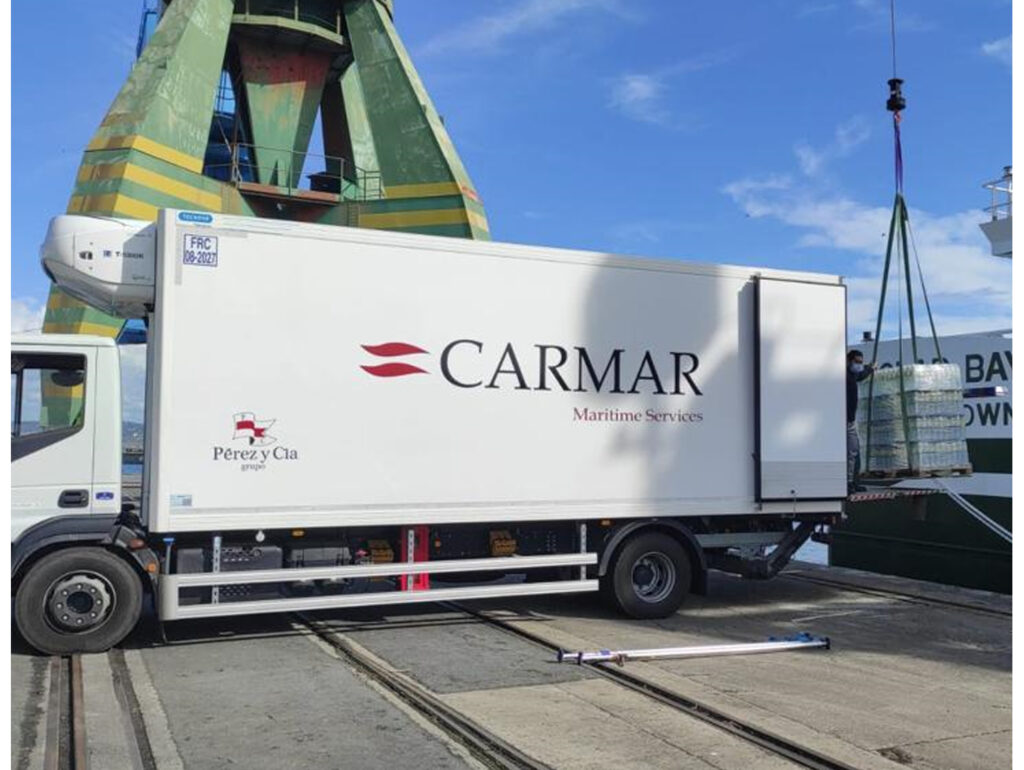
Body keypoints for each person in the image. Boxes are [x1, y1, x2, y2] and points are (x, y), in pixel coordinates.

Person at [846, 350, 875, 492]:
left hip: (849, 421)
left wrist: (870, 368)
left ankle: (852, 481)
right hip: (841, 421)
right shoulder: (844, 376)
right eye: (856, 361)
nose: (859, 365)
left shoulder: (852, 375)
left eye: (860, 362)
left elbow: (861, 375)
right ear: (848, 361)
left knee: (854, 450)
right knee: (851, 451)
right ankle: (848, 482)